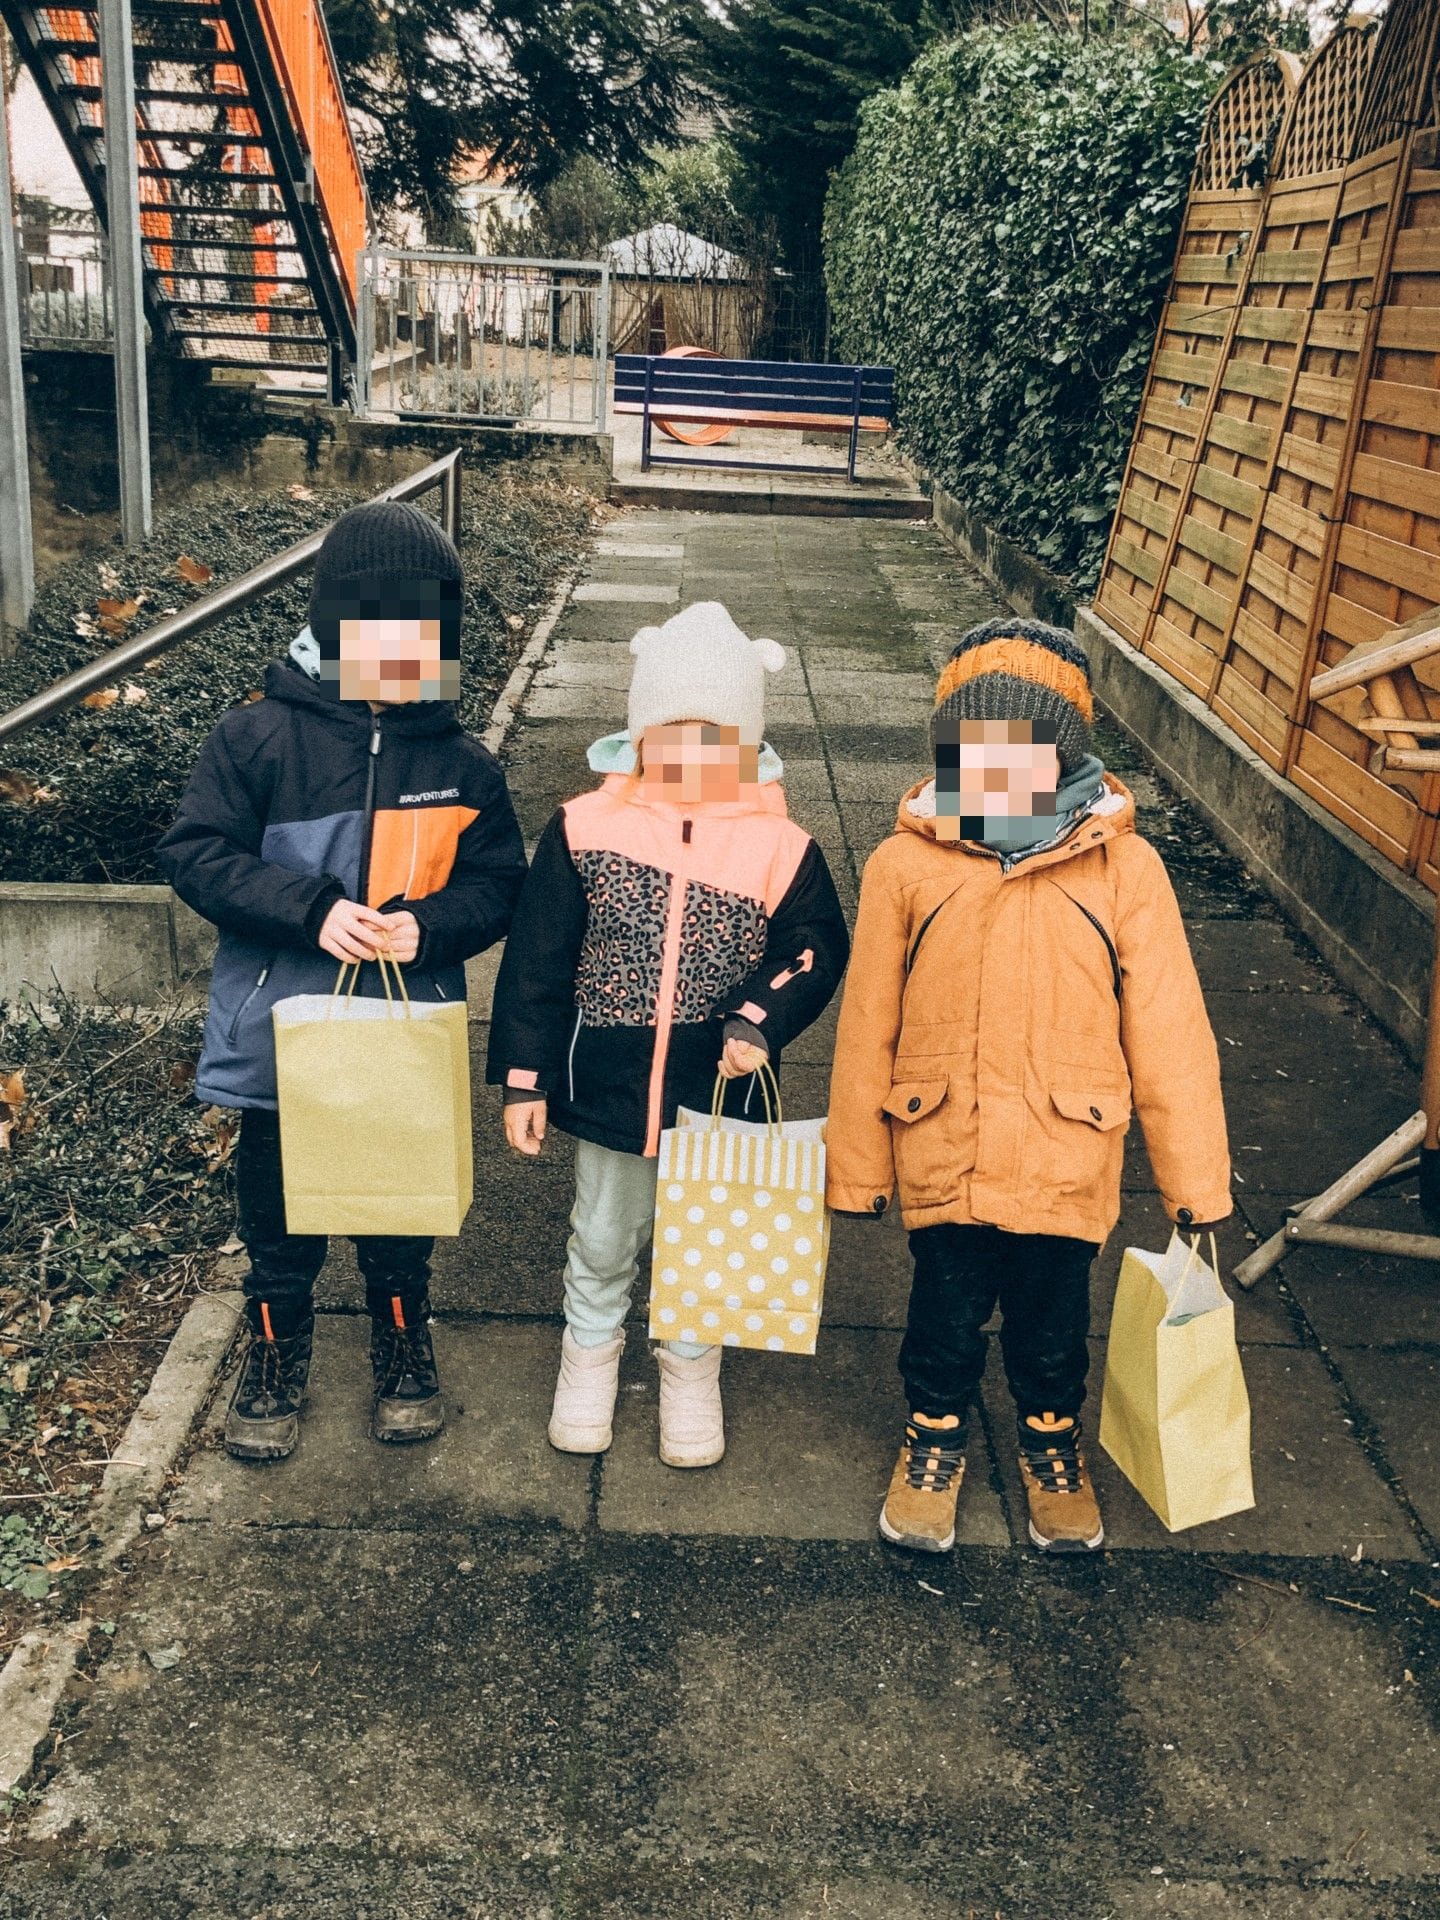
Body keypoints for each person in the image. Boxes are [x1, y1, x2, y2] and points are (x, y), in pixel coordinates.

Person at [826, 618, 1231, 1554]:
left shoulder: (1125, 870)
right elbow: (867, 1026)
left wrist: (1195, 1181)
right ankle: (933, 1435)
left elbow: (1170, 1031)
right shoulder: (905, 865)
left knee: (1053, 1319)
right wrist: (856, 1166)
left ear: (1065, 756)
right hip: (945, 1142)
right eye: (972, 751)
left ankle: (1053, 1441)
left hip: (1065, 1148)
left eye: (1021, 751)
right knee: (945, 1310)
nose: (995, 769)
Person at [158, 500, 527, 1461]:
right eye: (383, 628)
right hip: (281, 1037)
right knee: (276, 1215)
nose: (405, 651)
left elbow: (498, 884)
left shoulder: (462, 767)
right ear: (334, 624)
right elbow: (197, 853)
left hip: (400, 1035)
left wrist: (428, 925)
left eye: (425, 633)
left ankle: (403, 1333)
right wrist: (312, 909)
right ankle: (276, 1346)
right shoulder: (255, 742)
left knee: (397, 1207)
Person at [489, 601, 849, 1468]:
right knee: (604, 1233)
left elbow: (816, 947)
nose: (691, 757)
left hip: (714, 1088)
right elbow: (537, 960)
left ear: (747, 746)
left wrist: (757, 1019)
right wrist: (526, 1077)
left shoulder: (780, 846)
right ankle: (590, 1352)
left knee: (707, 1237)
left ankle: (691, 1368)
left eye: (714, 738)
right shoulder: (586, 828)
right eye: (672, 734)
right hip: (607, 1084)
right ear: (641, 735)